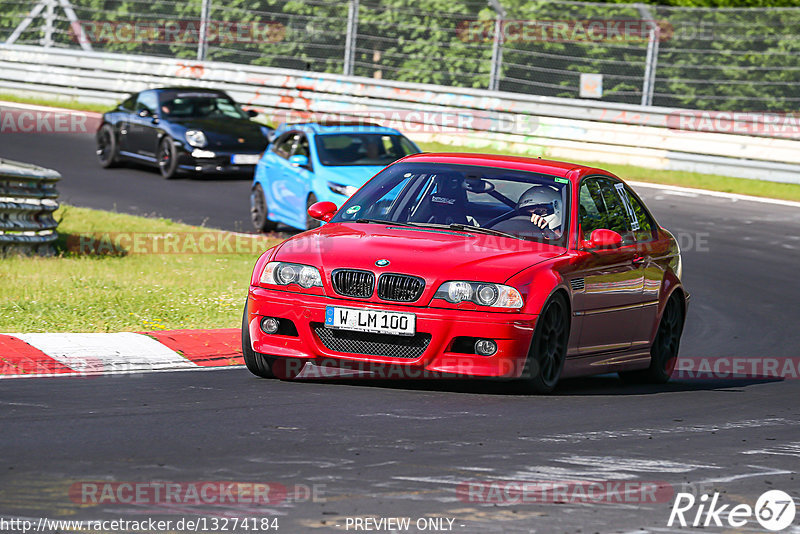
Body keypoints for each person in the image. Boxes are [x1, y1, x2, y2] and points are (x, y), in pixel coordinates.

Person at [492, 184, 563, 238]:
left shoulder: (568, 239)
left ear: (557, 208)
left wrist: (548, 233)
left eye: (540, 211)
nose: (533, 217)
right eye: (526, 213)